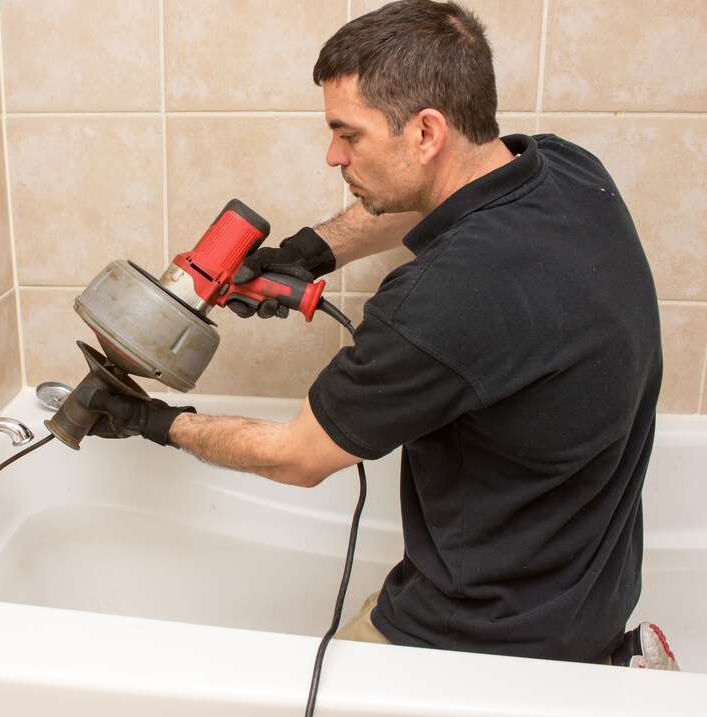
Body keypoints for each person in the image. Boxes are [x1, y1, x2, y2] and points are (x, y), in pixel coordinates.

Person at [75, 0, 677, 669]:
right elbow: (437, 194)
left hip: (479, 641)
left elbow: (297, 458)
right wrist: (310, 251)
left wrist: (155, 421)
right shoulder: (566, 170)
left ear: (425, 133)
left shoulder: (443, 298)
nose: (332, 154)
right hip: (585, 596)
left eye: (349, 135)